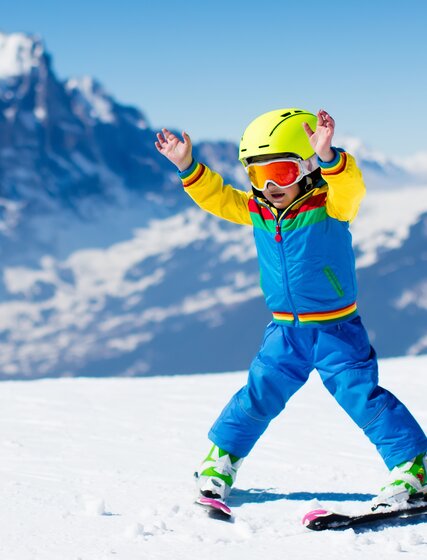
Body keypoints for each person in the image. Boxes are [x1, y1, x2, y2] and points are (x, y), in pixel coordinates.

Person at [155, 108, 427, 510]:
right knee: (259, 393)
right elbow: (219, 198)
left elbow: (351, 187)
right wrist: (187, 167)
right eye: (255, 175)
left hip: (336, 330)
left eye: (280, 172)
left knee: (362, 397)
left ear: (305, 168)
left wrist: (331, 158)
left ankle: (414, 466)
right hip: (284, 332)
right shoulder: (259, 209)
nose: (268, 186)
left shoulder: (331, 206)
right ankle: (221, 460)